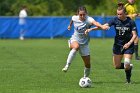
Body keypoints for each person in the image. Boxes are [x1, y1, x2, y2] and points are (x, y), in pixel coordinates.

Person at [85, 5, 137, 83]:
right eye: (117, 14)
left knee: (126, 62)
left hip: (128, 45)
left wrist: (129, 43)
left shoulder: (131, 22)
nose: (119, 16)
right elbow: (103, 26)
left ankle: (128, 80)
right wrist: (91, 29)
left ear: (125, 13)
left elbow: (135, 35)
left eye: (120, 14)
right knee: (117, 66)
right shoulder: (115, 20)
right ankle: (129, 67)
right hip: (118, 45)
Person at [62, 6, 106, 78]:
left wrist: (101, 26)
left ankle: (85, 78)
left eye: (84, 14)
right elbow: (72, 20)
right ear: (77, 14)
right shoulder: (74, 18)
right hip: (75, 39)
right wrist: (69, 25)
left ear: (86, 13)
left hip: (84, 44)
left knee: (88, 64)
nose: (82, 16)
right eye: (80, 15)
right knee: (76, 46)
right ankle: (67, 66)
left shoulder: (89, 19)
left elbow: (96, 23)